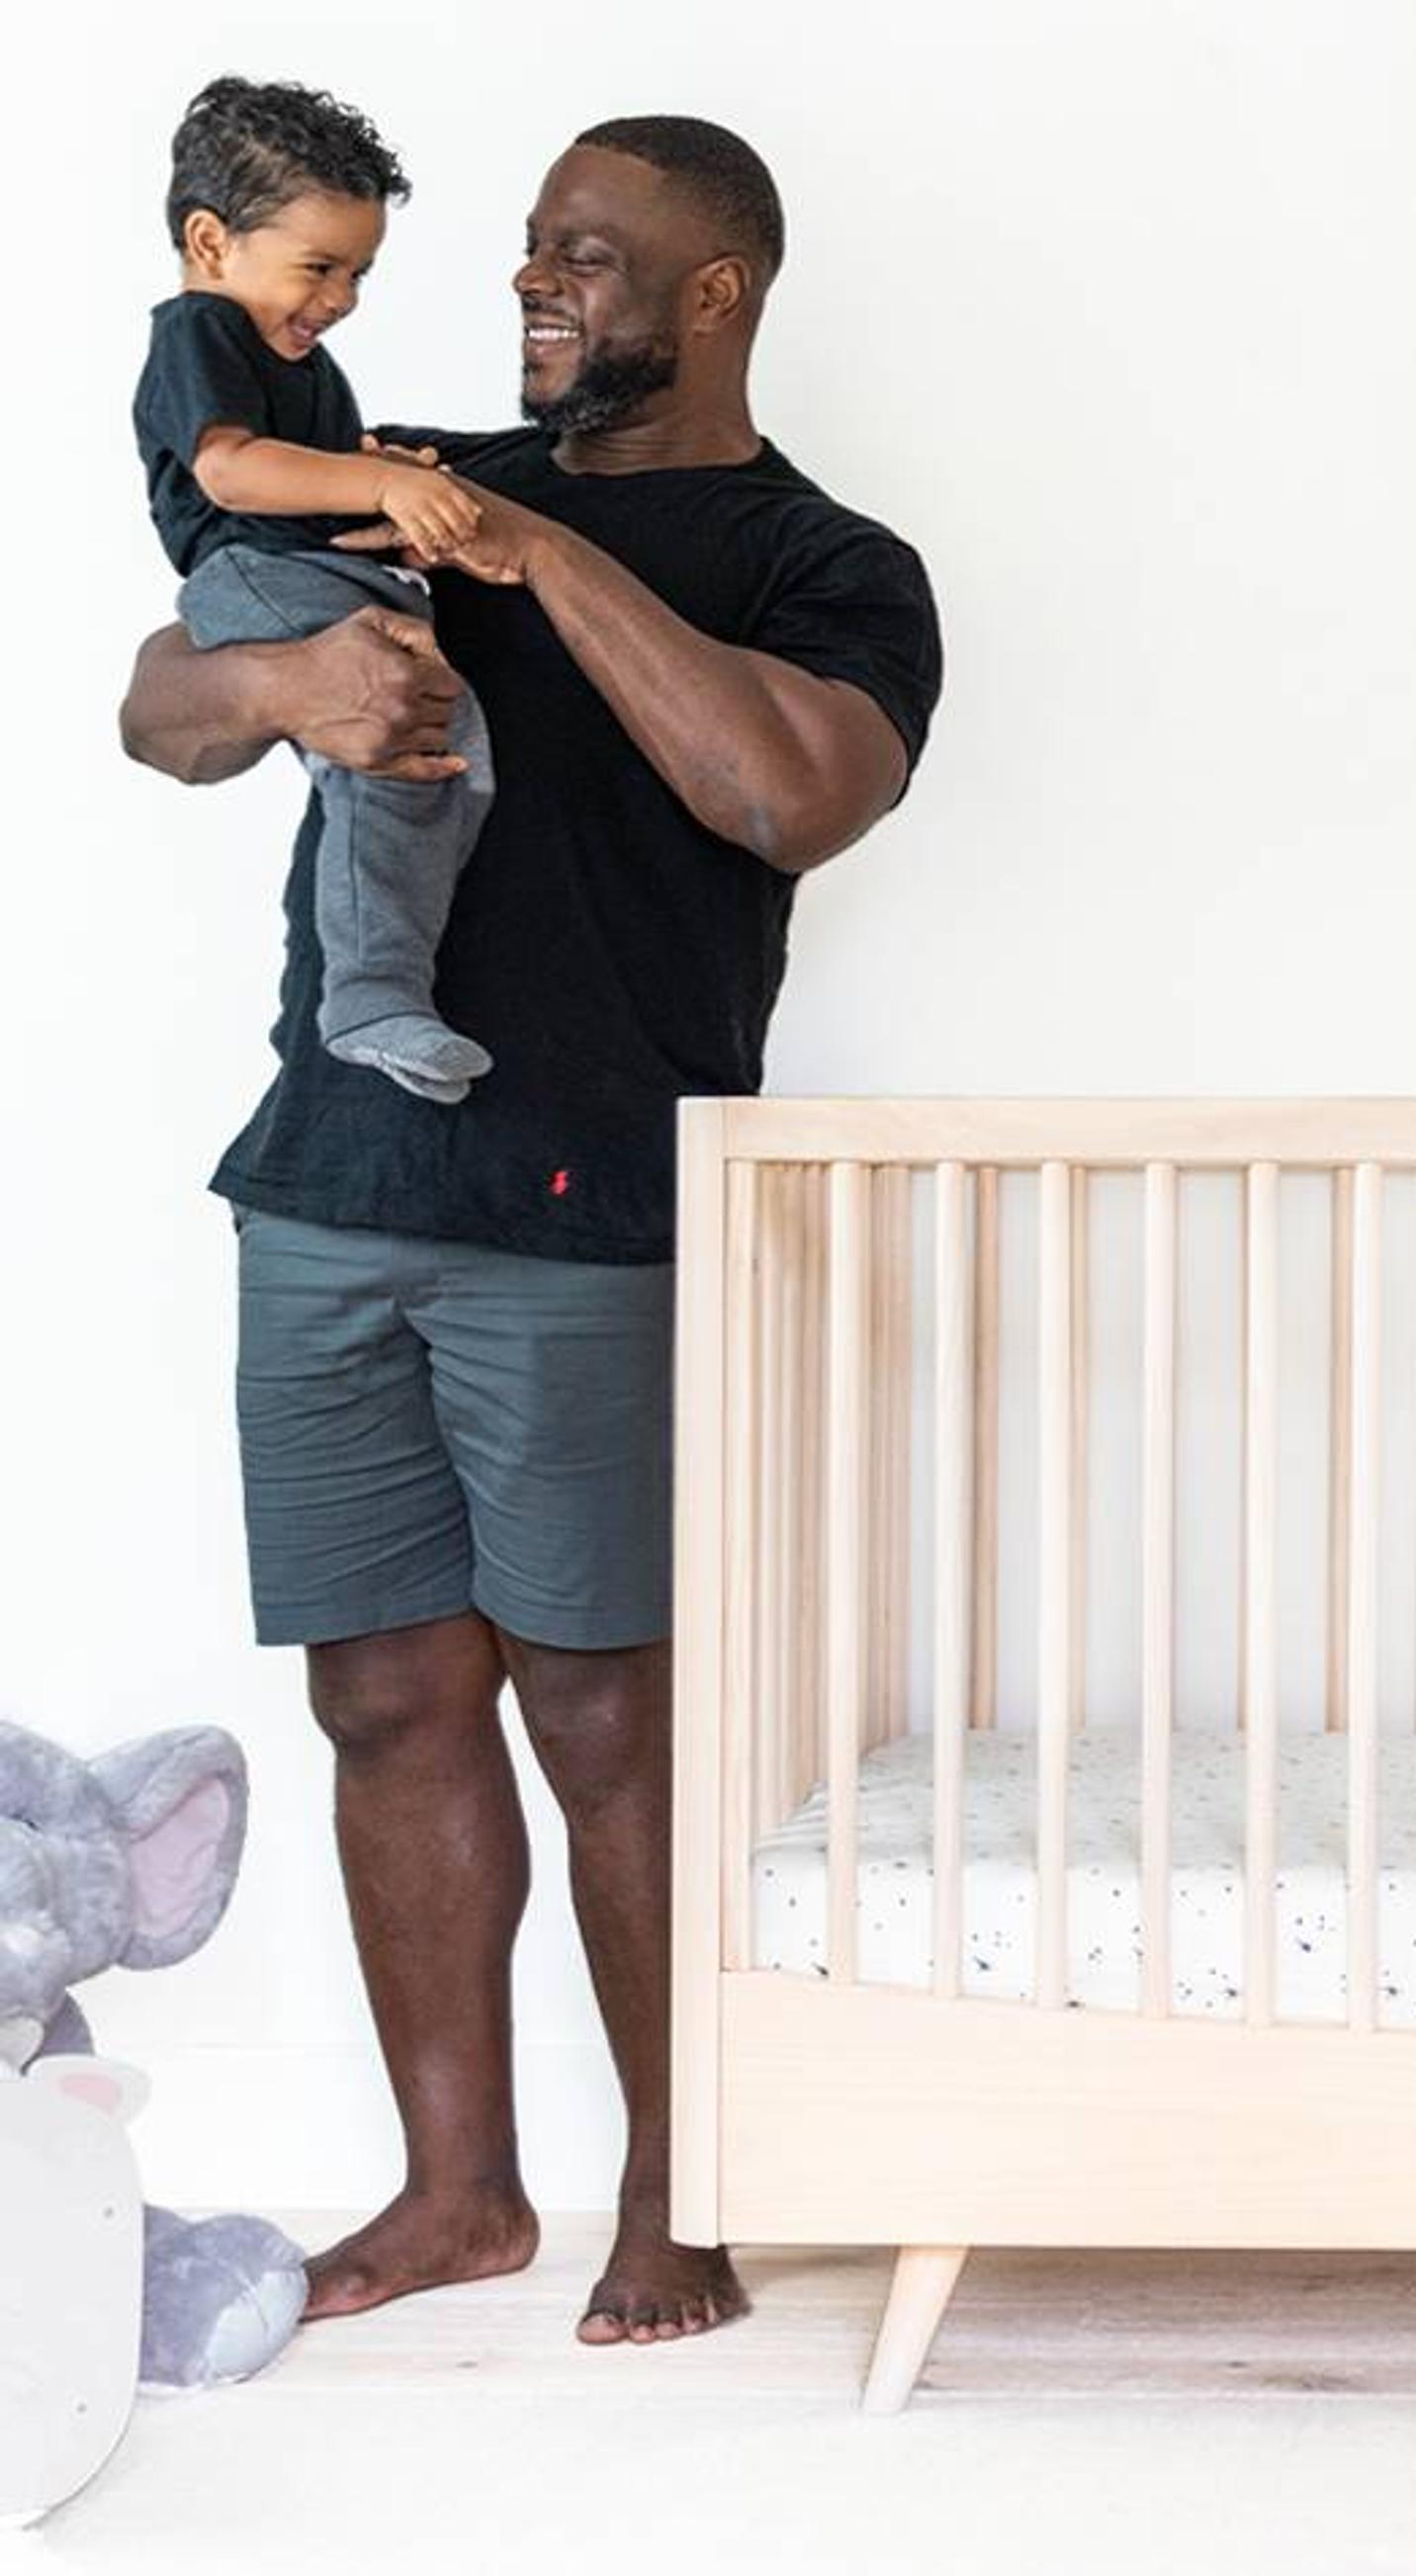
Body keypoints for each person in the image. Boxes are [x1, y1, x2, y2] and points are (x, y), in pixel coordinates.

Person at [116, 114, 944, 2347]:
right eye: (526, 250)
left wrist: (539, 551)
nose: (529, 283)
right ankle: (460, 2195)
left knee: (604, 1713)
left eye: (585, 253)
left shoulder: (822, 559)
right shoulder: (397, 478)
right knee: (383, 1695)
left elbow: (788, 793)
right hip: (328, 1181)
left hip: (591, 1205)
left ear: (715, 292)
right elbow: (161, 706)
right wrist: (282, 685)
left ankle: (682, 2196)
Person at [138, 75, 495, 1102]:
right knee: (386, 757)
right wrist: (378, 482)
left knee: (446, 761)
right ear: (212, 243)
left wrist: (390, 480)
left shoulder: (304, 361)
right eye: (320, 267)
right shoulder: (201, 331)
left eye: (359, 273)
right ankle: (369, 997)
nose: (340, 299)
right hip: (255, 575)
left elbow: (319, 474)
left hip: (320, 569)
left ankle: (395, 988)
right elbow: (231, 471)